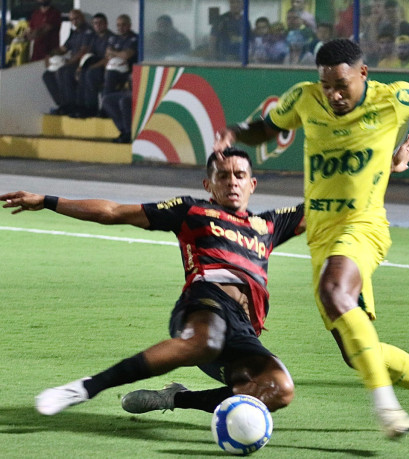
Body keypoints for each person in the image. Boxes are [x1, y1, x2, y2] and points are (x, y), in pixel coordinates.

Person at [213, 38, 409, 438]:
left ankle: (386, 407)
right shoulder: (305, 99)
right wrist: (234, 133)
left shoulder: (393, 98)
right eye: (326, 85)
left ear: (363, 74)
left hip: (364, 226)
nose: (334, 94)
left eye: (342, 84)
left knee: (334, 291)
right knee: (356, 353)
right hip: (322, 234)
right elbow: (264, 130)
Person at [1, 148, 306, 417]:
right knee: (206, 340)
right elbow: (113, 212)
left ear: (252, 184)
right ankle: (85, 388)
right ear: (208, 184)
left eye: (240, 175)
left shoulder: (269, 224)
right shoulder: (192, 211)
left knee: (278, 390)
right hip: (204, 302)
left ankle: (177, 399)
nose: (232, 181)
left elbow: (326, 207)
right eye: (222, 175)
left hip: (242, 326)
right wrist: (47, 201)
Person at [42, 9, 93, 116]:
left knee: (63, 71)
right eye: (72, 20)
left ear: (82, 17)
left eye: (76, 18)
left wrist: (69, 62)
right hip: (71, 63)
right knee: (47, 75)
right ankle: (62, 104)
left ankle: (71, 105)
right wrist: (49, 54)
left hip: (82, 63)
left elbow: (83, 51)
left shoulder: (88, 31)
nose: (74, 21)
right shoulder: (74, 33)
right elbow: (63, 49)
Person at [72, 13, 116, 118]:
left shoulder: (112, 38)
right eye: (95, 23)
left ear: (106, 24)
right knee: (82, 73)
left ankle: (91, 108)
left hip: (106, 67)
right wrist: (80, 67)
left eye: (101, 23)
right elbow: (88, 55)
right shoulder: (94, 38)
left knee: (90, 74)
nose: (98, 25)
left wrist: (93, 66)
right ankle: (81, 107)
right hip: (94, 65)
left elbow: (108, 58)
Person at [102, 15, 139, 97]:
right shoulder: (114, 38)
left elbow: (126, 55)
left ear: (129, 25)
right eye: (118, 25)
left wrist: (113, 52)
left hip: (129, 71)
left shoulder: (135, 38)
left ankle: (107, 103)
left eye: (123, 25)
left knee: (110, 78)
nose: (121, 27)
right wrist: (117, 54)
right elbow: (107, 54)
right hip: (113, 69)